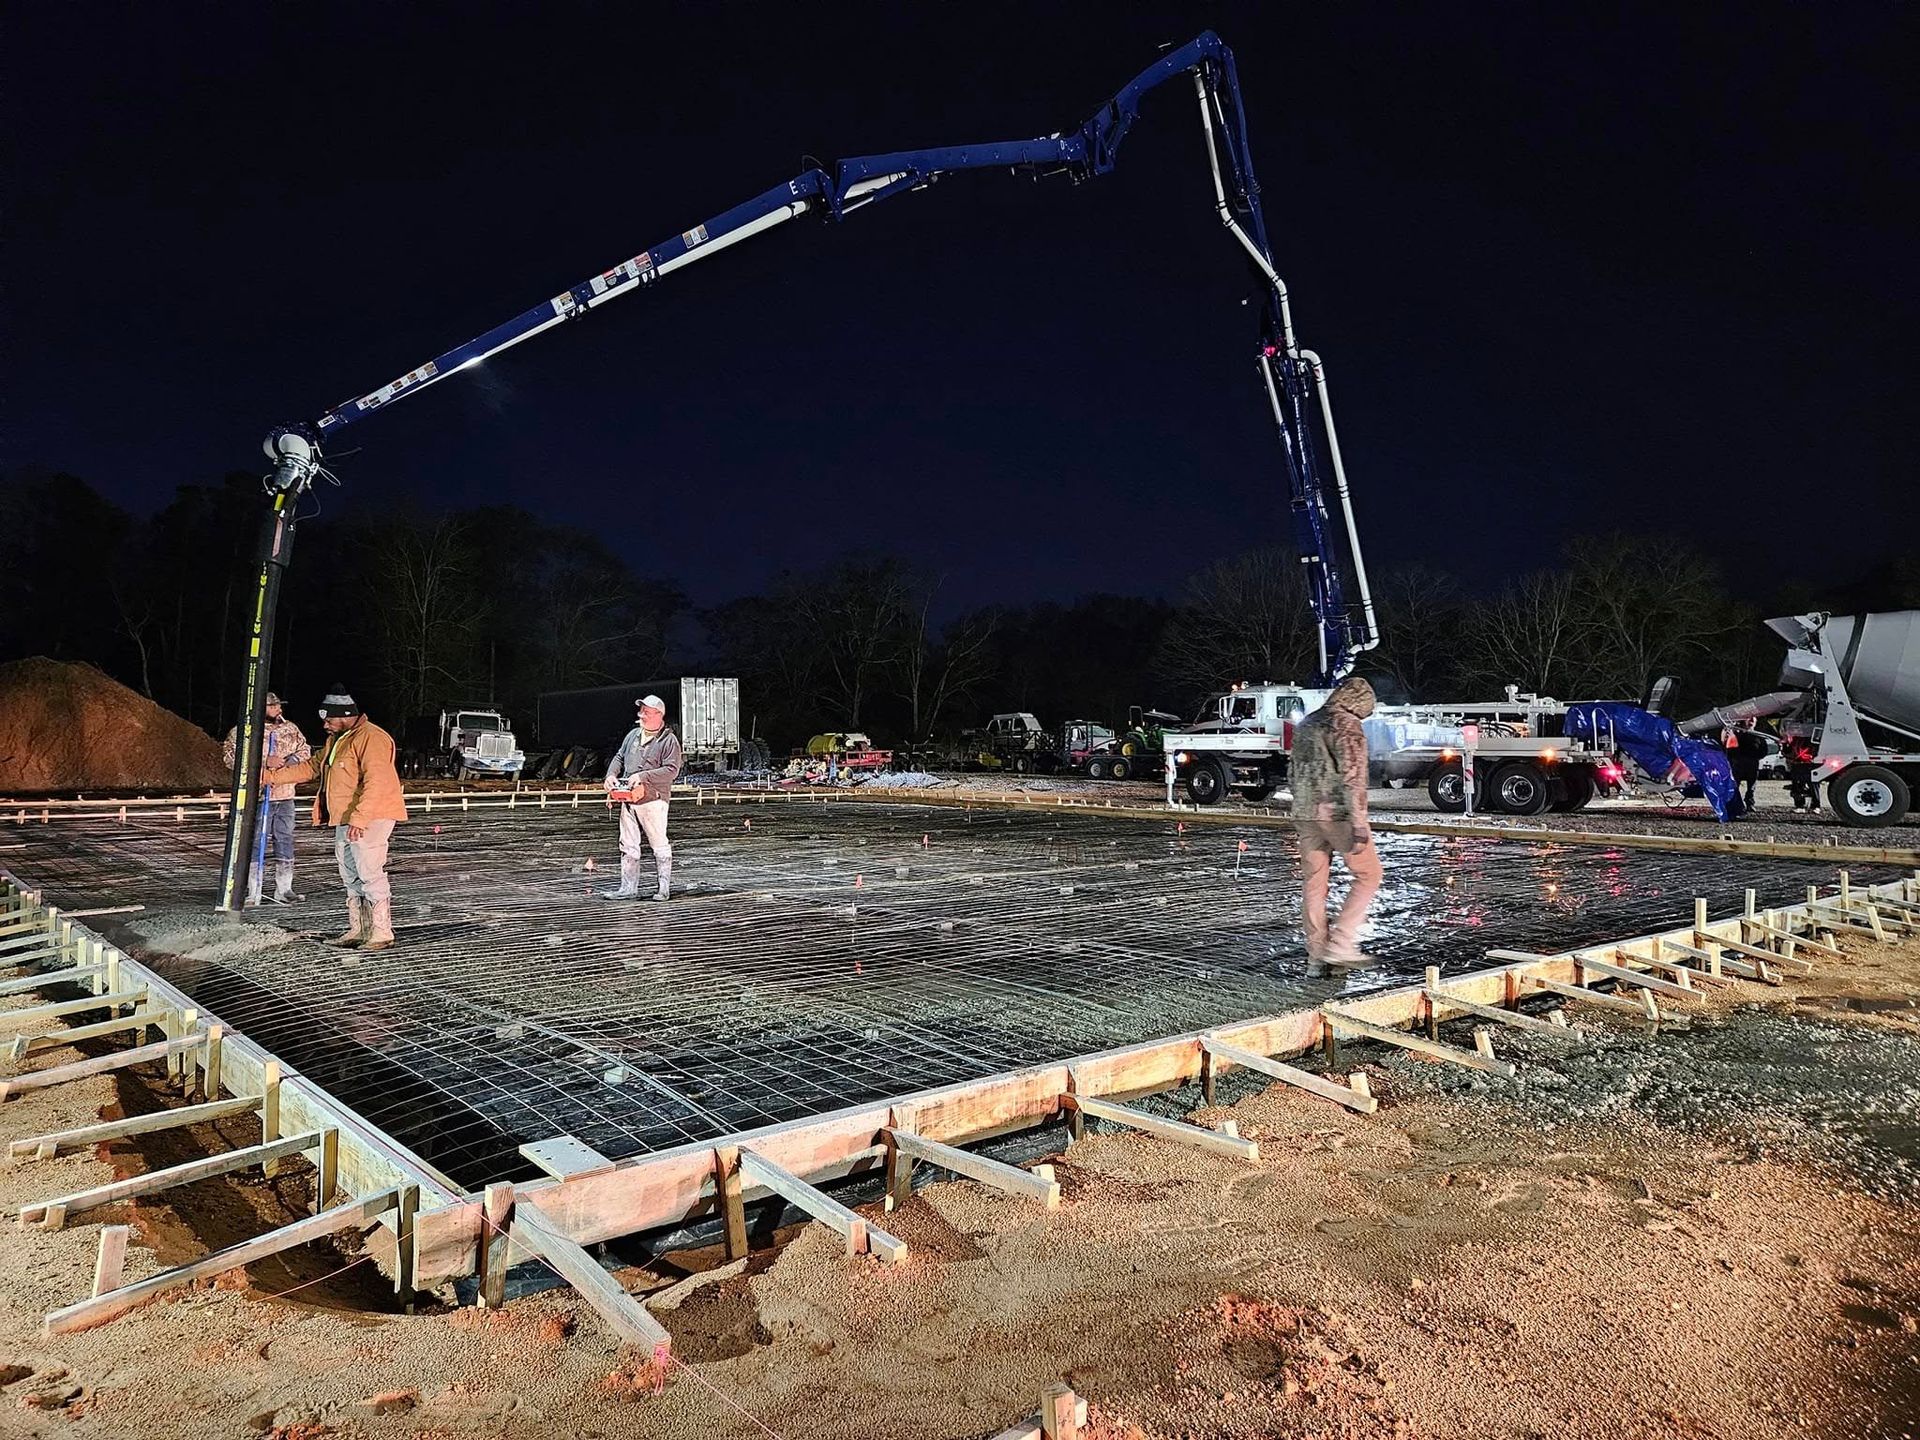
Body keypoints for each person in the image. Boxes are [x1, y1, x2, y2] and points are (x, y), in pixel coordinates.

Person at [265, 687, 408, 950]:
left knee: (369, 872)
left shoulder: (371, 738)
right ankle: (359, 929)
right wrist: (269, 778)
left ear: (344, 716)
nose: (324, 725)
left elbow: (377, 782)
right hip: (346, 817)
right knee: (350, 874)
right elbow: (310, 767)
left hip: (370, 818)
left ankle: (381, 932)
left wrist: (360, 819)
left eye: (328, 719)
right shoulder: (338, 739)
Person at [1289, 676, 1383, 971]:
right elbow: (1353, 777)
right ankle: (1342, 944)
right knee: (1369, 874)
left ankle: (1316, 956)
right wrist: (1358, 822)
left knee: (1314, 884)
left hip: (1305, 814)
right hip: (1337, 813)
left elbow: (1292, 772)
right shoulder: (1346, 724)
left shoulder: (1307, 723)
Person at [221, 692, 311, 906]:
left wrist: (291, 760)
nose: (278, 709)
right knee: (254, 842)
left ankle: (284, 888)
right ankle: (253, 889)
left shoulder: (290, 729)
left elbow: (306, 749)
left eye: (279, 705)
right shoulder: (244, 731)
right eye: (273, 706)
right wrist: (262, 761)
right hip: (259, 797)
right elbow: (230, 758)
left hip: (286, 795)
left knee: (285, 839)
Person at [602, 693, 685, 901]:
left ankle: (663, 889)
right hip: (629, 798)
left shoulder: (669, 741)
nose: (642, 715)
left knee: (658, 843)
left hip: (653, 800)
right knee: (627, 843)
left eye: (647, 712)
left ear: (659, 715)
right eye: (641, 711)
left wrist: (643, 776)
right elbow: (619, 757)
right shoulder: (633, 735)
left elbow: (672, 770)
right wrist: (611, 775)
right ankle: (628, 888)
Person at [1724, 725, 1764, 813]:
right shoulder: (1736, 734)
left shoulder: (1758, 736)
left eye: (1753, 719)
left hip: (1753, 763)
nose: (1751, 721)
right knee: (1735, 785)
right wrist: (1733, 760)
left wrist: (1757, 756)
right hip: (1738, 764)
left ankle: (1750, 803)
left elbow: (1764, 749)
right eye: (1749, 719)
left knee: (1751, 786)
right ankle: (1734, 805)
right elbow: (1729, 749)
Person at [1783, 734, 1821, 812]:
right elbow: (1787, 752)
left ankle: (1816, 805)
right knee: (1797, 786)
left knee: (1813, 785)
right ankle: (1799, 805)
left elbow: (1815, 751)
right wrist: (1784, 744)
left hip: (1810, 765)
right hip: (1797, 765)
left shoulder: (1813, 739)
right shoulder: (1795, 740)